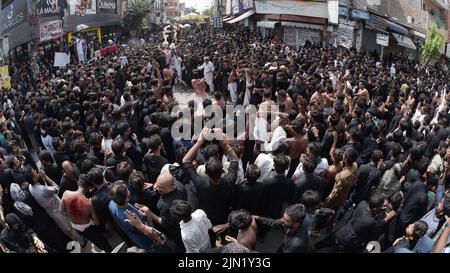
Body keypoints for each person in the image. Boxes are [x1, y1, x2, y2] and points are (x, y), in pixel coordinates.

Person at [108, 182, 169, 253]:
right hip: (150, 242)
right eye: (127, 190)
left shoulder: (111, 204)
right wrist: (149, 215)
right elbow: (149, 231)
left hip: (136, 239)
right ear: (127, 198)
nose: (129, 190)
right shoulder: (131, 217)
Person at [60, 176, 113, 252]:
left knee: (96, 242)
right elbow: (97, 222)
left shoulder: (66, 193)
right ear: (88, 188)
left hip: (76, 226)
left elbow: (61, 211)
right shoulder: (89, 203)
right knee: (103, 242)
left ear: (78, 183)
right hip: (89, 227)